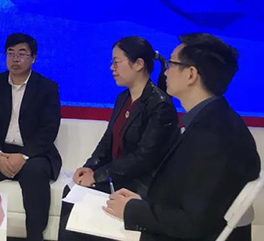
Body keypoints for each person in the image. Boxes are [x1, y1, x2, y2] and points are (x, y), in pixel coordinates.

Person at [99, 33, 260, 240]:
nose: (165, 71)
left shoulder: (215, 137)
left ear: (191, 74)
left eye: (171, 64)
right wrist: (142, 201)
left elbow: (193, 224)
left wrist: (133, 210)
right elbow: (187, 195)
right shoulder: (210, 121)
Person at [58, 37, 179, 240]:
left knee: (79, 205)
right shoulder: (122, 98)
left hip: (138, 185)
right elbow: (108, 140)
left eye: (116, 62)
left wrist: (97, 176)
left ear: (138, 64)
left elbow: (143, 157)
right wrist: (89, 167)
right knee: (71, 191)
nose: (111, 68)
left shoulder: (160, 105)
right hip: (117, 177)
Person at [0, 33, 61, 241]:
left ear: (33, 58)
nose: (15, 59)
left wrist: (23, 156)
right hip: (0, 150)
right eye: (10, 53)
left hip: (35, 153)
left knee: (35, 173)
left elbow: (49, 130)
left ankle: (34, 235)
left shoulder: (47, 87)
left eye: (22, 54)